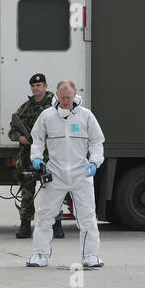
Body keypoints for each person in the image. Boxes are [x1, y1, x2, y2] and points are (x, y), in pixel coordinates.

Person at [26, 80, 105, 267]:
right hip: (55, 174)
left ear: (75, 94)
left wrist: (94, 162)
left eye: (68, 97)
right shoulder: (47, 116)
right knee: (45, 216)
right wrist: (36, 158)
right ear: (56, 95)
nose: (66, 101)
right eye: (62, 98)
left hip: (82, 174)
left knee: (87, 217)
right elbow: (37, 140)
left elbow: (96, 142)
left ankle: (90, 256)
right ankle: (40, 254)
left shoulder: (86, 116)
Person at [8, 73, 64, 239]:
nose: (36, 88)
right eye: (33, 86)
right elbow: (13, 129)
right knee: (27, 192)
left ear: (45, 86)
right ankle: (25, 225)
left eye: (39, 85)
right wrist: (20, 138)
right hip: (28, 157)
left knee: (54, 191)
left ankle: (57, 225)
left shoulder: (56, 105)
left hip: (51, 156)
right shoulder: (25, 108)